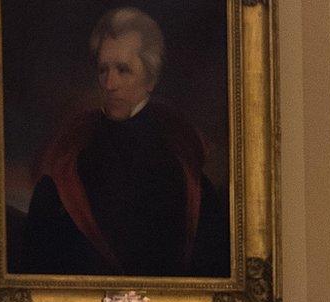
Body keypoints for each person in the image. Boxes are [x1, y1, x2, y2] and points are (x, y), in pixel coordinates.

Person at [15, 7, 230, 277]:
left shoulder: (179, 156)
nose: (109, 83)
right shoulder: (72, 150)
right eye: (103, 69)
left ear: (150, 79)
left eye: (123, 70)